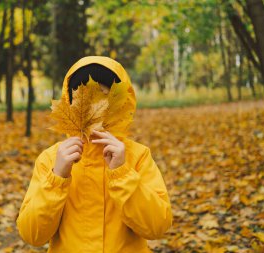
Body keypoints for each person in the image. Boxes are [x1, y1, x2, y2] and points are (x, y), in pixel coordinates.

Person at [16, 56, 172, 253]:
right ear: (71, 103)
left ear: (119, 103)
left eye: (102, 96)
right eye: (84, 97)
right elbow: (33, 235)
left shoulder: (137, 156)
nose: (93, 107)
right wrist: (57, 178)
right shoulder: (51, 159)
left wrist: (122, 173)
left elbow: (157, 227)